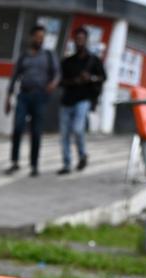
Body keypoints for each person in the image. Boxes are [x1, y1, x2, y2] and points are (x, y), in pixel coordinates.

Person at [4, 25, 59, 178]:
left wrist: (53, 83)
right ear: (31, 37)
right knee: (18, 127)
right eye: (37, 37)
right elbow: (14, 77)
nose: (40, 40)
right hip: (23, 96)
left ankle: (34, 165)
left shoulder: (49, 55)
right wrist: (8, 97)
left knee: (36, 132)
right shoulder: (23, 57)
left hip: (40, 97)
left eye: (42, 37)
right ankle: (14, 162)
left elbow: (57, 73)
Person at [57, 27, 107, 175]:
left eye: (82, 39)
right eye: (77, 39)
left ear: (86, 40)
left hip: (83, 100)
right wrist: (74, 81)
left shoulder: (94, 60)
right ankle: (66, 164)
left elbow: (103, 77)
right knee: (64, 134)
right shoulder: (67, 62)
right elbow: (60, 81)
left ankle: (82, 154)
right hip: (67, 101)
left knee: (78, 129)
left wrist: (90, 78)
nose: (79, 42)